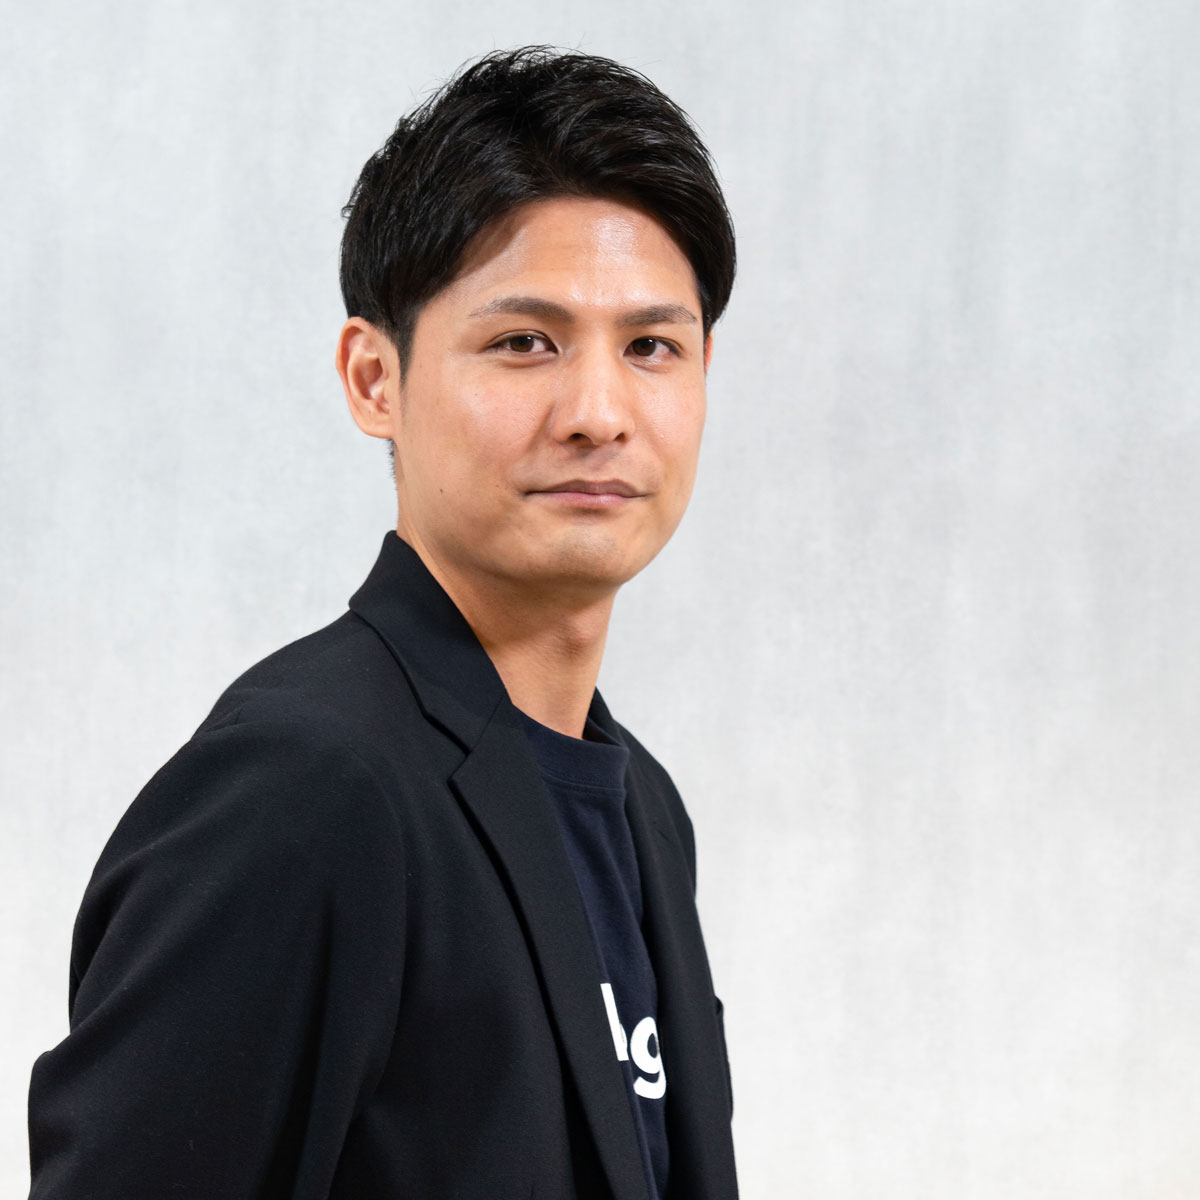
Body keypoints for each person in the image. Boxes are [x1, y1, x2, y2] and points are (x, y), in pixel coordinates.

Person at [28, 46, 738, 1200]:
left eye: (651, 346)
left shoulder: (644, 808)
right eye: (525, 342)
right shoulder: (303, 791)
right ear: (374, 379)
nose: (598, 412)